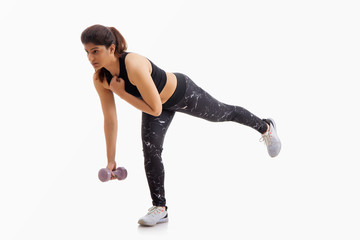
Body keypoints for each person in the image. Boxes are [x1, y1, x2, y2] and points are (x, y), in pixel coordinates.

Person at [81, 24, 281, 226]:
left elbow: (155, 109)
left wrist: (122, 93)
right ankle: (160, 208)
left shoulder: (133, 64)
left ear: (112, 48)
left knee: (222, 113)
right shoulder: (100, 79)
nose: (90, 58)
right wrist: (110, 160)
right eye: (87, 52)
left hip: (182, 93)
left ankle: (265, 127)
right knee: (151, 150)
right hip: (153, 105)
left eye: (95, 51)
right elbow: (110, 119)